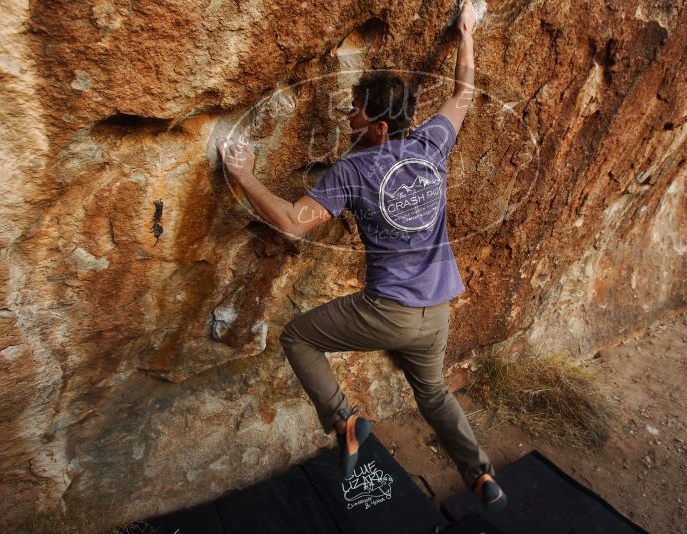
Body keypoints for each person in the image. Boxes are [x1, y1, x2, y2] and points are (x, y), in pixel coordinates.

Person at [216, 0, 507, 512]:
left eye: (357, 111)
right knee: (434, 394)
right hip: (437, 311)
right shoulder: (432, 144)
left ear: (378, 128)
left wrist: (244, 176)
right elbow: (464, 92)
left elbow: (289, 222)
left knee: (298, 336)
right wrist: (466, 30)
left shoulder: (354, 172)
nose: (348, 115)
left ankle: (345, 421)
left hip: (389, 311)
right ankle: (481, 474)